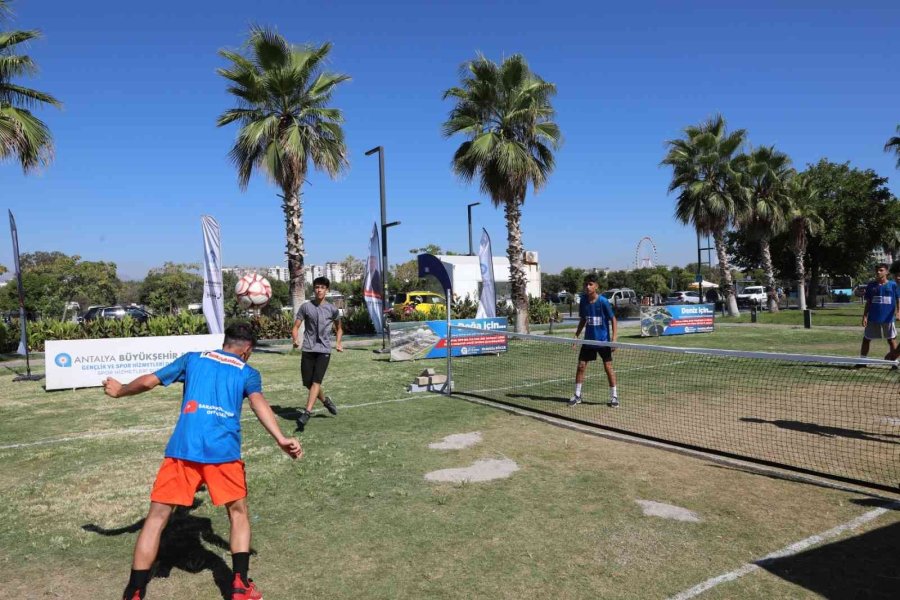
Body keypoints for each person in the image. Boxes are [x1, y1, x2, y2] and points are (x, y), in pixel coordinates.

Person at [103, 323, 303, 600]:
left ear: (226, 342)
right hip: (223, 454)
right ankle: (240, 586)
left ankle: (134, 592)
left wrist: (121, 390)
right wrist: (280, 438)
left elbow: (149, 381)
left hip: (183, 449)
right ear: (247, 350)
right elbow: (258, 403)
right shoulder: (247, 372)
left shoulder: (193, 359)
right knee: (238, 514)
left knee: (156, 519)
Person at [292, 276, 343, 431]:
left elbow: (339, 328)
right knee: (308, 382)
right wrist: (295, 339)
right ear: (313, 289)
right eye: (317, 287)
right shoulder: (305, 307)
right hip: (308, 349)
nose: (319, 290)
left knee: (316, 382)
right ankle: (325, 401)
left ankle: (306, 413)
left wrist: (338, 343)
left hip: (324, 350)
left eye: (322, 287)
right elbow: (296, 327)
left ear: (327, 290)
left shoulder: (332, 309)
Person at [569, 273, 619, 408]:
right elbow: (583, 319)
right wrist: (576, 335)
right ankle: (577, 395)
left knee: (608, 367)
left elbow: (613, 319)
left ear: (596, 286)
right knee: (581, 366)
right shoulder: (583, 301)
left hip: (603, 341)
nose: (587, 286)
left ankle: (614, 397)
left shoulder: (603, 301)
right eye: (586, 284)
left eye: (590, 284)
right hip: (588, 341)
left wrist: (614, 338)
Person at [859, 263, 900, 363]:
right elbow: (868, 302)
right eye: (877, 270)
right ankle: (862, 361)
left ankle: (894, 363)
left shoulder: (893, 285)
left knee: (891, 340)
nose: (878, 272)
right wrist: (865, 316)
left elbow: (898, 299)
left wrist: (899, 312)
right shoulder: (871, 285)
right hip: (873, 318)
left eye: (881, 270)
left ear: (887, 272)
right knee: (866, 339)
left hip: (888, 318)